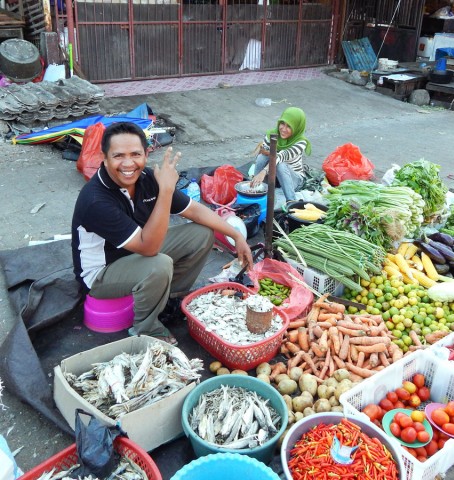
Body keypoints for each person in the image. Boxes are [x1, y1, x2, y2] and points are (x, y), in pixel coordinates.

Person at [71, 121, 253, 345]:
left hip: (135, 250)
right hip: (102, 273)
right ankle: (146, 328)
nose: (128, 163)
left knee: (202, 233)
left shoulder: (146, 178)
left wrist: (236, 236)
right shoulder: (96, 200)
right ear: (105, 158)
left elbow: (194, 211)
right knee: (159, 264)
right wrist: (166, 190)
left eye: (135, 154)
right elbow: (150, 249)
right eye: (118, 156)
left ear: (146, 154)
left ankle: (170, 299)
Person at [250, 106, 311, 202]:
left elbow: (281, 157)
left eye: (289, 126)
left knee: (280, 164)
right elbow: (263, 151)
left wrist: (263, 172)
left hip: (294, 180)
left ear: (297, 127)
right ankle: (257, 189)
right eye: (282, 123)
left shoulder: (301, 142)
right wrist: (259, 173)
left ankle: (291, 201)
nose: (283, 129)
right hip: (276, 178)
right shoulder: (272, 134)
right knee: (262, 157)